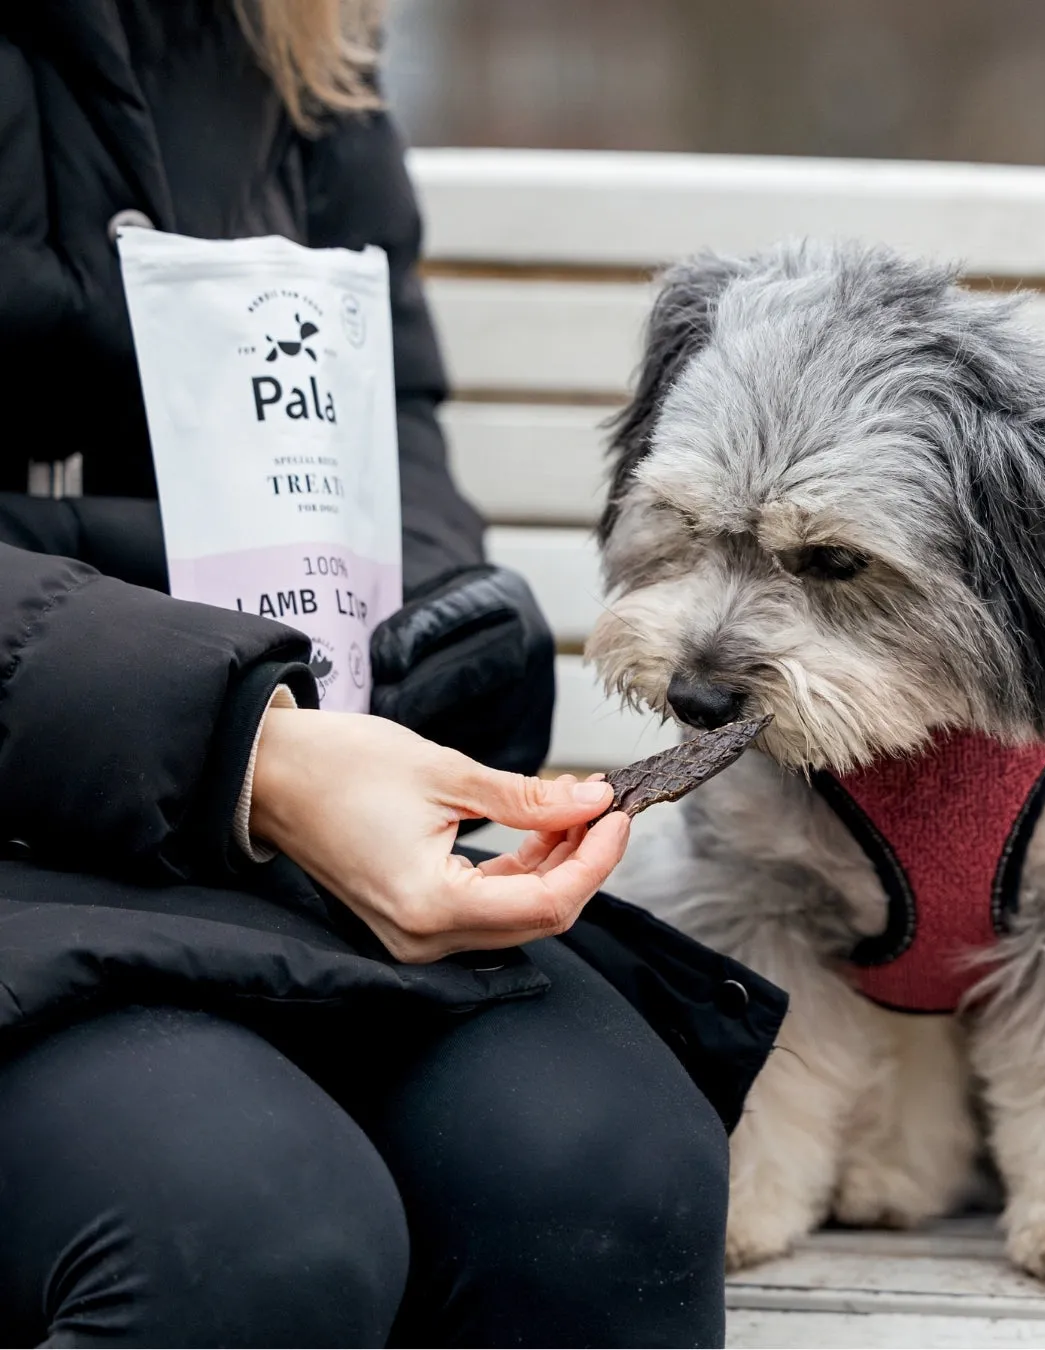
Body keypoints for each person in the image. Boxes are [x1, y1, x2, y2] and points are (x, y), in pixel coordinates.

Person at [0, 3, 786, 1346]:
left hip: (252, 808)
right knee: (247, 1236)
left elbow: (378, 414)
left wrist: (418, 666)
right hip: (116, 798)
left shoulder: (294, 26)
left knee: (606, 1178)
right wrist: (253, 749)